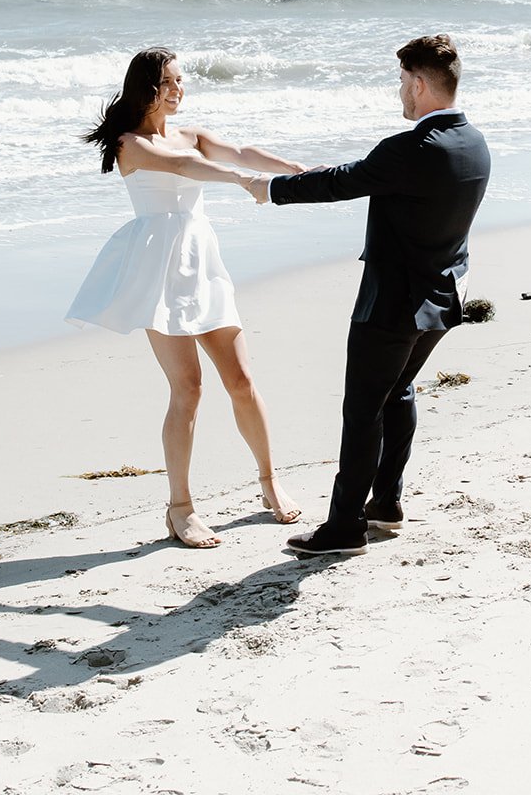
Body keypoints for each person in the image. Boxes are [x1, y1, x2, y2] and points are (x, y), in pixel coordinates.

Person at [247, 34, 491, 556]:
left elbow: (345, 181)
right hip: (446, 292)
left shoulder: (410, 149)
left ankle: (344, 527)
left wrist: (269, 188)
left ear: (421, 85)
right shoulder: (473, 141)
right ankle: (386, 503)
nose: (399, 93)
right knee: (397, 392)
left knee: (362, 410)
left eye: (403, 83)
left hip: (394, 302)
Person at [70, 47, 303, 548]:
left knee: (241, 380)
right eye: (171, 82)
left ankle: (269, 482)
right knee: (189, 388)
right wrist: (244, 182)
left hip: (202, 264)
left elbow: (240, 153)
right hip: (158, 270)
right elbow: (184, 168)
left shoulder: (191, 134)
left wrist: (297, 169)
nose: (180, 89)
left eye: (181, 81)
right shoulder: (129, 143)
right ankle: (180, 509)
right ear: (148, 88)